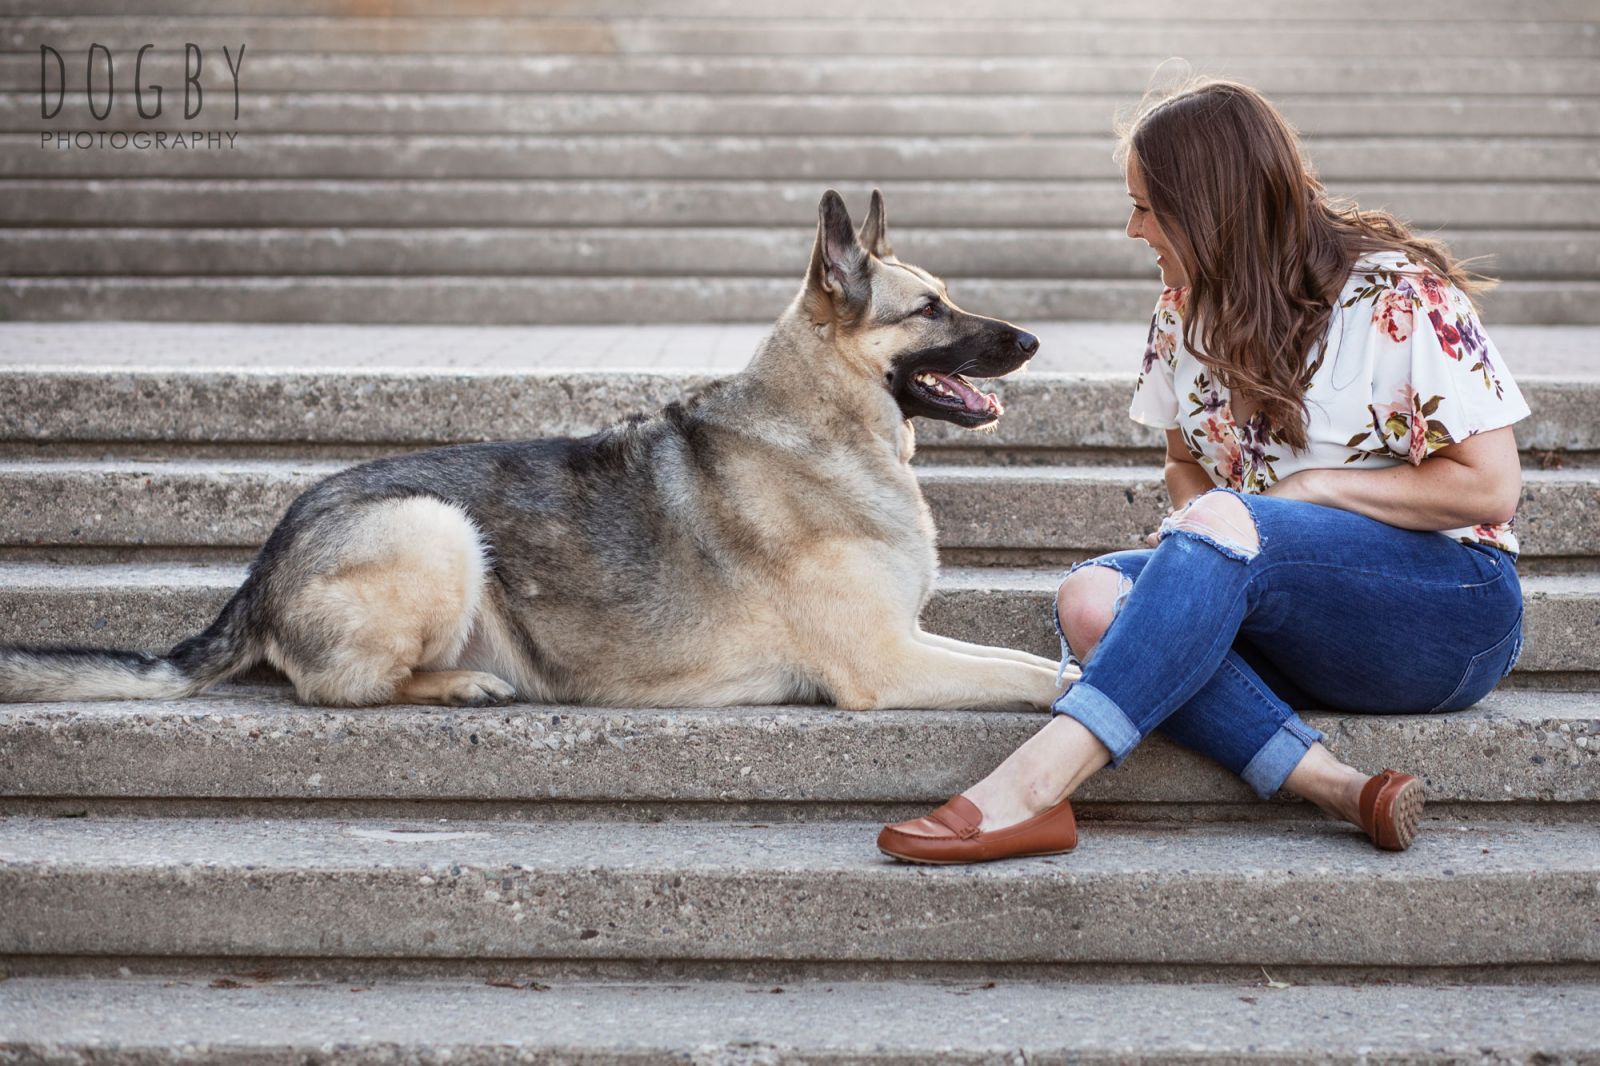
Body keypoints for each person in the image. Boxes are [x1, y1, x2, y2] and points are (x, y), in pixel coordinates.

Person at [877, 79, 1529, 864]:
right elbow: (1184, 464)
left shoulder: (1399, 297)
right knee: (1090, 601)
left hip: (1442, 616)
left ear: (1211, 205)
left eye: (1147, 207)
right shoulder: (1181, 311)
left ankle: (1033, 788)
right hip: (1283, 616)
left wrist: (1307, 493)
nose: (1131, 229)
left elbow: (1489, 488)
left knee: (1225, 521)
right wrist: (1208, 525)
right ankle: (1335, 784)